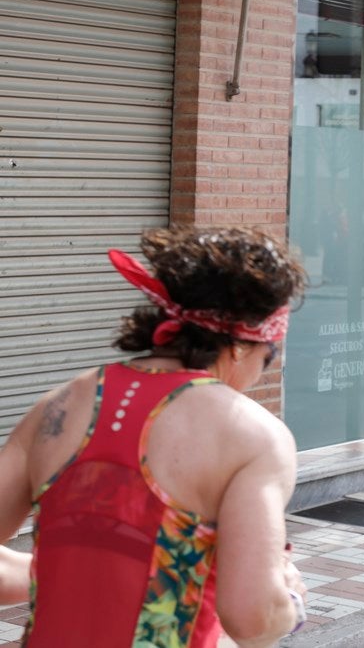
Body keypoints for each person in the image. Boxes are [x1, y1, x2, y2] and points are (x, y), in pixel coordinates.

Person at [0, 226, 309, 647]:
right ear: (241, 346)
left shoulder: (57, 406)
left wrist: (70, 566)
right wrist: (290, 601)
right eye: (271, 355)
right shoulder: (254, 436)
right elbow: (251, 618)